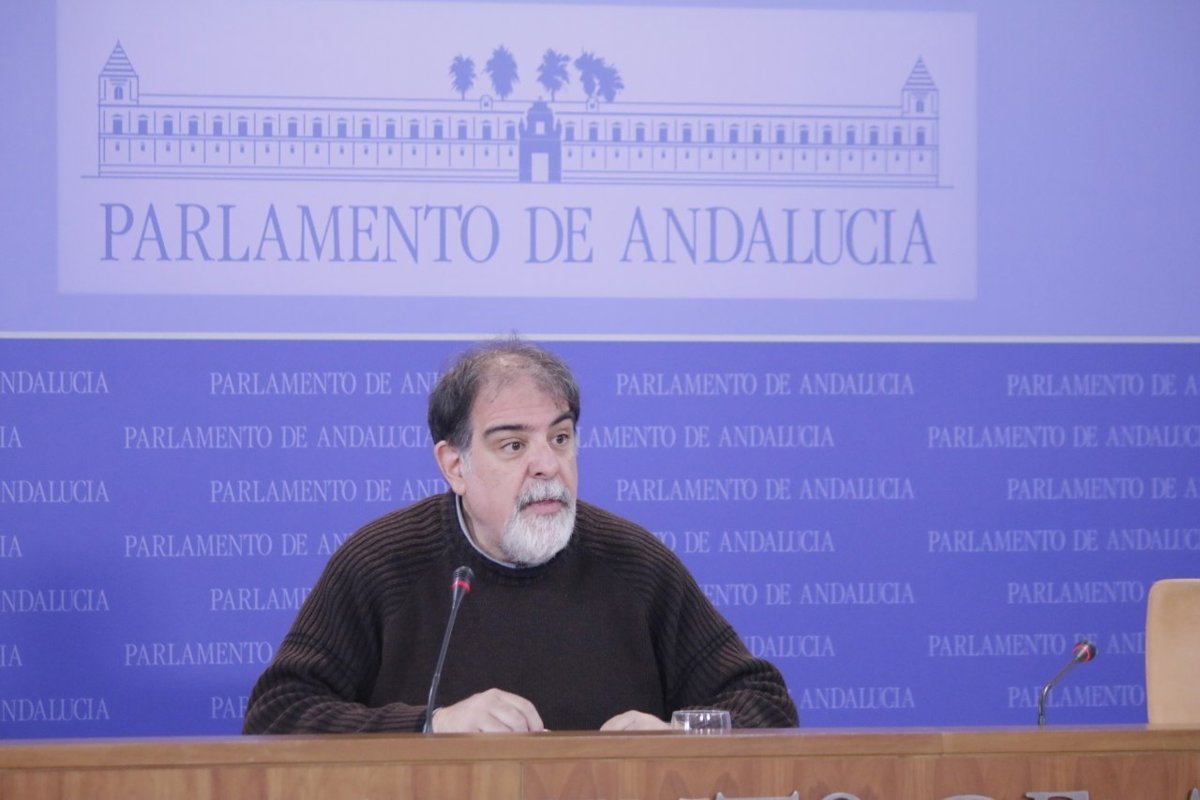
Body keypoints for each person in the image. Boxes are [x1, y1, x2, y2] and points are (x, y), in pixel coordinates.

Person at [242, 339, 798, 733]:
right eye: (513, 445)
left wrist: (679, 736)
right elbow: (278, 714)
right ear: (454, 465)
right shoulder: (383, 563)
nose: (547, 465)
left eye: (560, 438)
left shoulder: (635, 564)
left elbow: (763, 703)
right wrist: (430, 724)